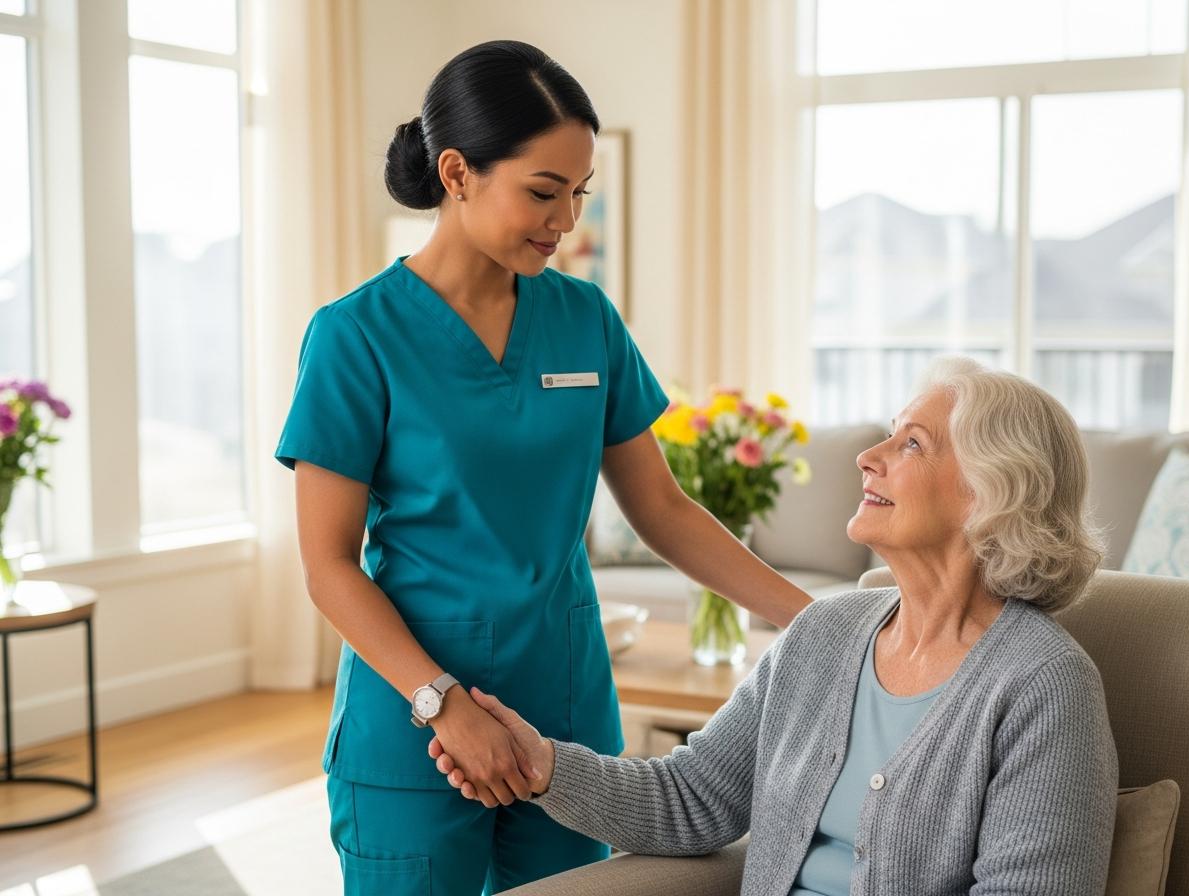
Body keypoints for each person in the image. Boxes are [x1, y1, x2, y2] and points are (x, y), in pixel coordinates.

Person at [275, 39, 812, 896]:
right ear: (457, 173)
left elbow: (663, 510)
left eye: (579, 194)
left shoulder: (585, 318)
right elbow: (328, 564)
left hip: (566, 722)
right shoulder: (355, 336)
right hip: (412, 719)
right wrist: (443, 704)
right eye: (543, 192)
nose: (566, 221)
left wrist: (816, 620)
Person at [432, 357, 1121, 896]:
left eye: (911, 444)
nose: (867, 456)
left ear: (989, 490)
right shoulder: (823, 635)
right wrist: (541, 763)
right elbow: (690, 799)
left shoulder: (1043, 685)